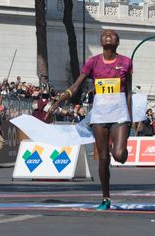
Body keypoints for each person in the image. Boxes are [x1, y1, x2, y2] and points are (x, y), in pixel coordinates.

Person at [49, 29, 132, 210]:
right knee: (103, 158)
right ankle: (105, 198)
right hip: (100, 115)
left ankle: (120, 146)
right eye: (104, 34)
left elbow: (128, 92)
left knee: (119, 156)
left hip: (120, 114)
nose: (108, 35)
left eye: (112, 34)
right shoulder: (93, 62)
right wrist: (59, 100)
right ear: (101, 41)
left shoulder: (126, 62)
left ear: (117, 41)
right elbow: (76, 86)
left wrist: (130, 118)